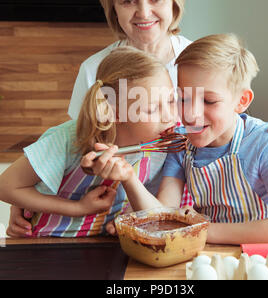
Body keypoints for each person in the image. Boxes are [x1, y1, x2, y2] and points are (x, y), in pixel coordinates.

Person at [7, 0, 268, 237]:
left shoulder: (193, 60)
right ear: (113, 9)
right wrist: (37, 196)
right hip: (112, 212)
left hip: (169, 204)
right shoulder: (95, 69)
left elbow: (230, 119)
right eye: (128, 0)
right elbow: (73, 145)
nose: (143, 11)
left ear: (174, 3)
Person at [86, 34, 268, 244]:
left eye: (209, 100)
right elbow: (162, 216)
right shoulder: (181, 145)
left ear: (241, 101)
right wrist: (128, 177)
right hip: (207, 256)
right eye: (183, 98)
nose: (191, 114)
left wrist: (198, 230)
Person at [0, 47, 178, 237]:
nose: (169, 116)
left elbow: (154, 214)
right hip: (48, 245)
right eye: (151, 109)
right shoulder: (67, 139)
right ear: (116, 113)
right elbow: (5, 186)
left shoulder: (159, 147)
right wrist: (78, 208)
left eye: (171, 100)